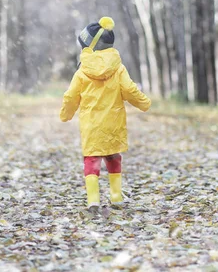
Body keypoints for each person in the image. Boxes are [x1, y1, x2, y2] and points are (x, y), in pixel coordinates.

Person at [60, 17, 151, 210]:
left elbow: (71, 96)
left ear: (89, 46)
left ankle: (93, 200)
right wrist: (144, 103)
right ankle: (116, 196)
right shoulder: (118, 68)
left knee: (92, 159)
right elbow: (130, 90)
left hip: (91, 124)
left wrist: (66, 114)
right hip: (113, 123)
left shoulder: (82, 71)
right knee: (113, 157)